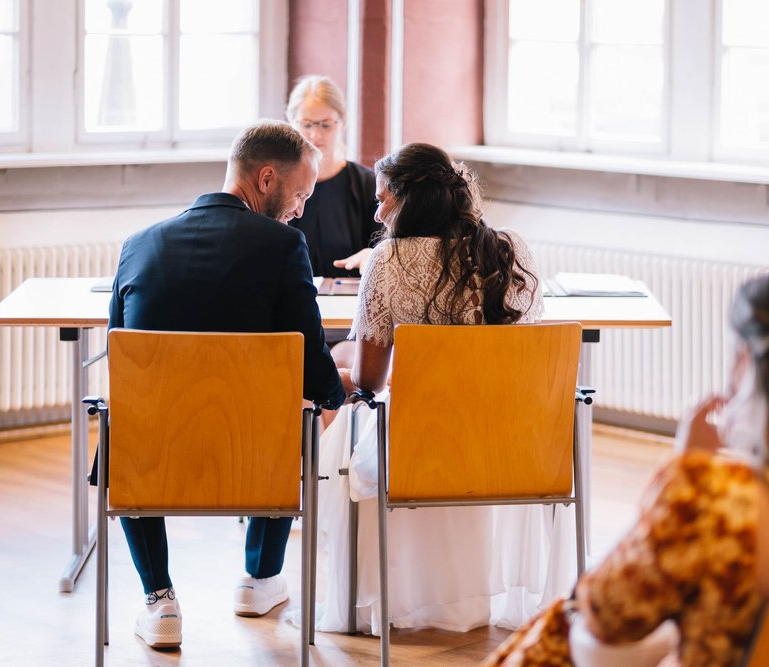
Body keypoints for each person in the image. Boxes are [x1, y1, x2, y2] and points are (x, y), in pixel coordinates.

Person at [484, 268, 769, 667]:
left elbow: (605, 623)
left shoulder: (714, 501)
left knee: (562, 626)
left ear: (745, 360)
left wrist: (684, 469)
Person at [316, 142, 573, 636]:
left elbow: (371, 381)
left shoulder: (387, 260)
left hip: (421, 448)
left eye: (382, 199)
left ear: (406, 200)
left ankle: (370, 595)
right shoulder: (510, 248)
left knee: (348, 408)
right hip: (509, 446)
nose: (377, 210)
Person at [106, 119, 345, 650]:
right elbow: (308, 356)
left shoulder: (137, 244)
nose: (300, 210)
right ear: (266, 179)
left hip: (151, 456)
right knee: (297, 406)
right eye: (301, 194)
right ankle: (259, 579)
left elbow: (120, 360)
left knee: (125, 416)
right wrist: (335, 395)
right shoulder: (285, 247)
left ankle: (159, 599)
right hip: (252, 455)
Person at [285, 75, 381, 278]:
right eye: (307, 124)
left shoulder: (367, 184)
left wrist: (373, 255)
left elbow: (384, 246)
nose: (315, 135)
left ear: (343, 122)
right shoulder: (278, 184)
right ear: (291, 122)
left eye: (326, 125)